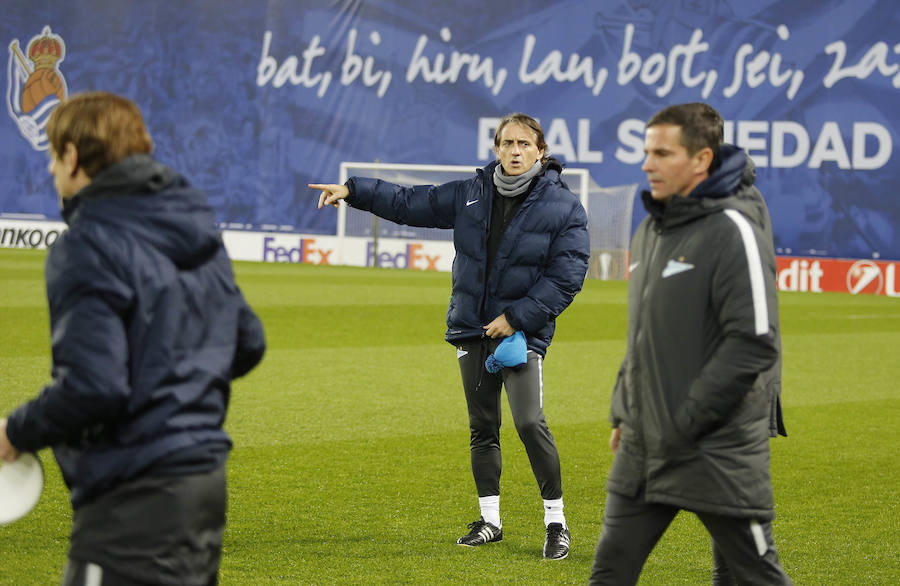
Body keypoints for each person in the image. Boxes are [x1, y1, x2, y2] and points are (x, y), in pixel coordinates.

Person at [0, 91, 266, 586]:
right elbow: (247, 341)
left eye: (54, 157)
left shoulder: (86, 243)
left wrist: (14, 433)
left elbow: (93, 387)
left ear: (74, 156)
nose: (52, 173)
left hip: (130, 500)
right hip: (203, 488)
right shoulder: (191, 220)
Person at [310, 113, 590, 560]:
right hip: (470, 328)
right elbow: (407, 202)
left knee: (528, 422)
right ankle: (490, 521)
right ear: (496, 149)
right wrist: (354, 191)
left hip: (520, 335)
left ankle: (556, 523)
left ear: (541, 151)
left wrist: (515, 318)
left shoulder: (564, 206)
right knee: (483, 428)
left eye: (523, 144)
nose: (514, 151)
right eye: (506, 143)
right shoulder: (471, 193)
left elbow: (567, 276)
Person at [589, 103, 792, 584]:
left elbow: (755, 341)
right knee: (610, 573)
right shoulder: (649, 231)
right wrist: (626, 409)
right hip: (643, 442)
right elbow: (644, 335)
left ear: (701, 160)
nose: (646, 164)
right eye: (645, 151)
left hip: (715, 446)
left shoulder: (733, 229)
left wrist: (686, 419)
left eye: (662, 152)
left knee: (751, 576)